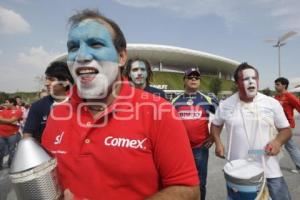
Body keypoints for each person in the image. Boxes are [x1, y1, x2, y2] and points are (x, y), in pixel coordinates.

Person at [41, 9, 199, 200]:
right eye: (73, 47)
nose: (81, 56)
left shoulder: (160, 111)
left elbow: (188, 191)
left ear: (121, 57)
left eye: (96, 44)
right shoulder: (56, 115)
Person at [211, 63, 292, 200]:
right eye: (245, 79)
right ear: (237, 83)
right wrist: (218, 142)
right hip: (239, 170)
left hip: (269, 167)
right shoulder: (226, 105)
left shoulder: (271, 103)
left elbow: (286, 130)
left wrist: (277, 142)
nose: (251, 81)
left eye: (254, 78)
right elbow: (215, 125)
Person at [172, 67, 217, 200]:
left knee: (200, 183)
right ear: (184, 80)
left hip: (200, 149)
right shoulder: (174, 101)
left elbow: (220, 118)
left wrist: (213, 137)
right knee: (181, 182)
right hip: (181, 149)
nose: (193, 79)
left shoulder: (208, 100)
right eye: (190, 77)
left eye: (196, 77)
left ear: (199, 81)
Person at [23, 61, 74, 143]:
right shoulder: (37, 106)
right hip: (45, 154)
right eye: (46, 79)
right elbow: (27, 135)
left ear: (65, 82)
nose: (46, 83)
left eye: (51, 79)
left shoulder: (80, 104)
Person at [274, 77, 300, 173]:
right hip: (276, 126)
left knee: (290, 146)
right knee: (273, 143)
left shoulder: (290, 96)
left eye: (278, 84)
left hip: (287, 126)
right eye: (275, 84)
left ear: (284, 85)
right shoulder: (276, 97)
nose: (276, 86)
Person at [0, 98, 23, 169]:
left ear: (12, 103)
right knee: (1, 151)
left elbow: (12, 120)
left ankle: (11, 165)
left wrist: (3, 121)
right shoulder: (3, 111)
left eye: (6, 102)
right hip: (1, 134)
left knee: (12, 151)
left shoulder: (18, 111)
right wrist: (10, 122)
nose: (5, 104)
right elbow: (11, 121)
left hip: (12, 134)